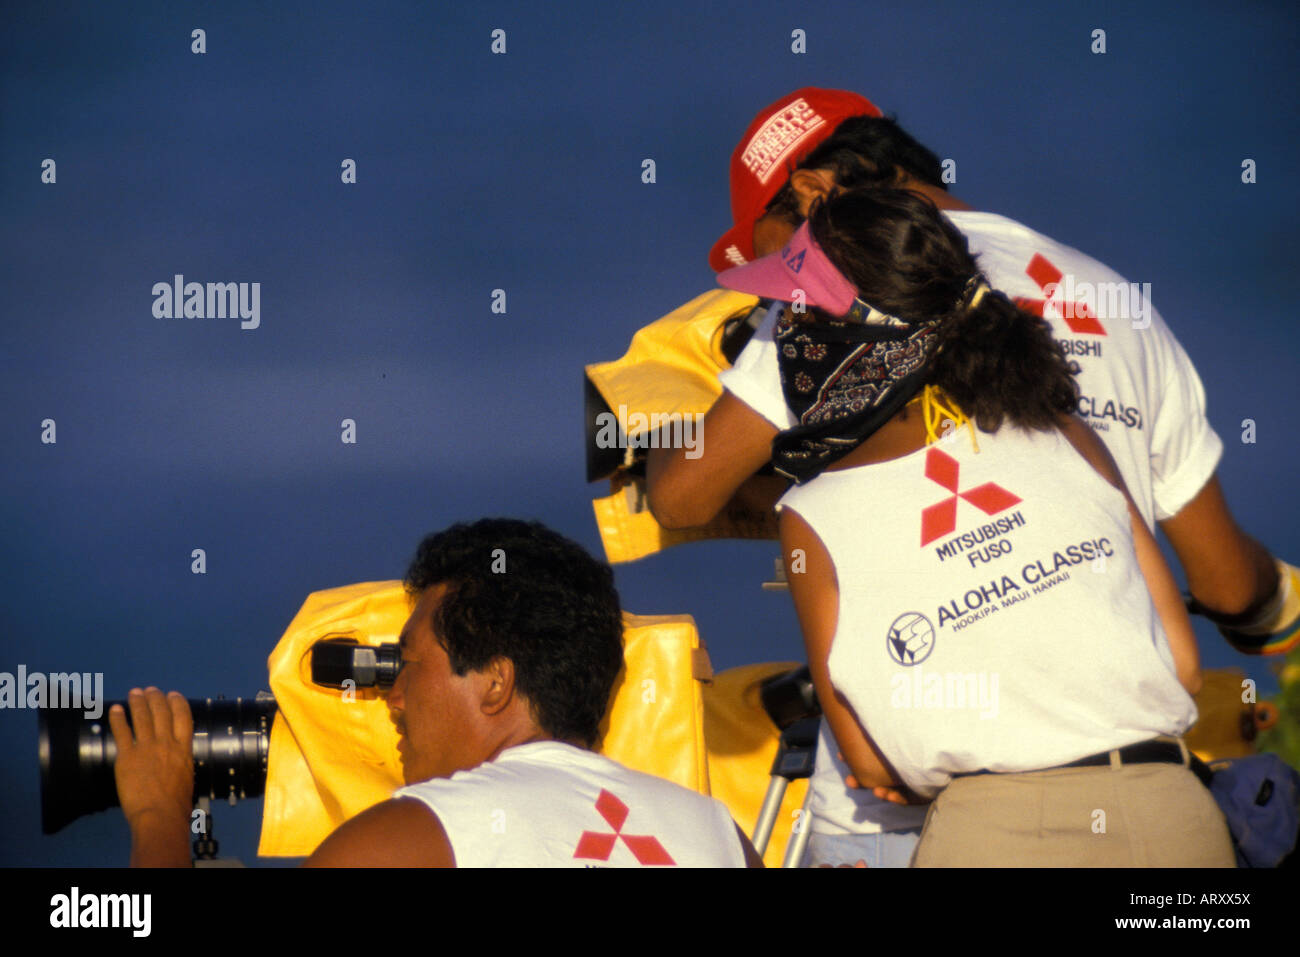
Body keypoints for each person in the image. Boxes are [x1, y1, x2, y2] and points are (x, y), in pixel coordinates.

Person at [645, 88, 1298, 865]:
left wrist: (713, 415)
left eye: (774, 252)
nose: (777, 282)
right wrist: (1277, 601)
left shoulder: (836, 293)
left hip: (911, 819)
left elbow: (680, 493)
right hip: (1139, 782)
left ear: (818, 197)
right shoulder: (1108, 297)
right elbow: (1226, 585)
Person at [716, 186, 1235, 866]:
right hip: (1169, 818)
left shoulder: (812, 516)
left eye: (797, 316)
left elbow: (871, 765)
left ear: (858, 343)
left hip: (990, 836)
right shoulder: (1064, 428)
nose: (783, 333)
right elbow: (1186, 663)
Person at [110, 518, 762, 867]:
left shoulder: (418, 837)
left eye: (409, 667)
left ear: (497, 681)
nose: (391, 699)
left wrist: (160, 812)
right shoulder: (722, 836)